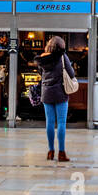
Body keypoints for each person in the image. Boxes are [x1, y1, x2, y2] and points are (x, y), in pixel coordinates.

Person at [36, 35, 76, 163]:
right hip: (60, 93)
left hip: (46, 93)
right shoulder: (63, 57)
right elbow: (71, 74)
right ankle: (62, 153)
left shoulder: (42, 58)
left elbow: (40, 73)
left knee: (49, 122)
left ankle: (50, 151)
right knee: (61, 123)